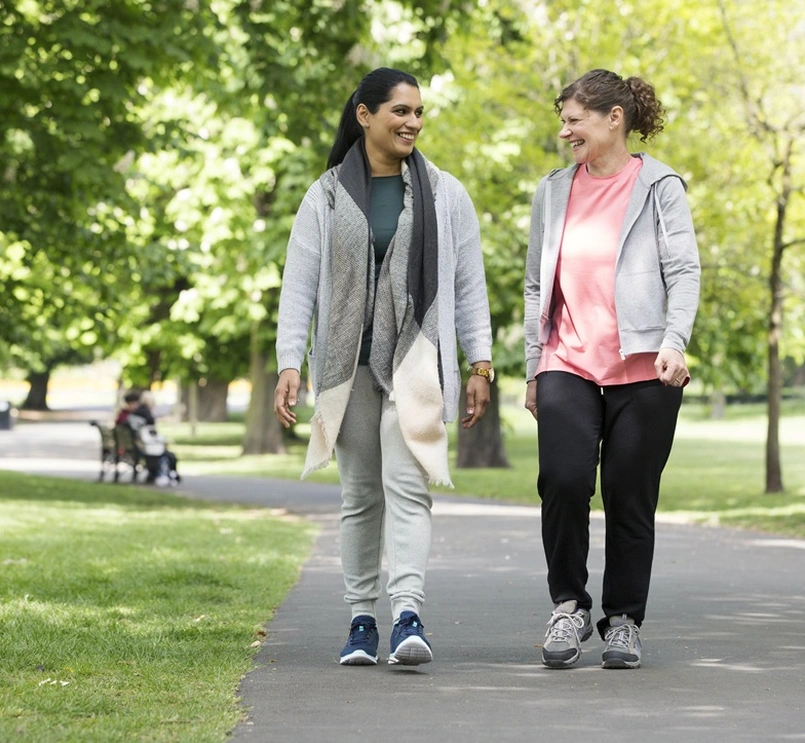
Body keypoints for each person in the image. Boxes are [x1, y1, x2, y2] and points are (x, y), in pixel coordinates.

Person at [274, 67, 494, 667]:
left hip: (417, 358)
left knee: (408, 486)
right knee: (360, 494)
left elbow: (467, 284)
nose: (413, 123)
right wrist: (289, 360)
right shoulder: (324, 196)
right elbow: (299, 286)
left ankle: (407, 616)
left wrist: (481, 361)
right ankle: (361, 622)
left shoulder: (445, 194)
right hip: (347, 364)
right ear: (365, 115)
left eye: (419, 112)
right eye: (401, 111)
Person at [523, 69, 700, 670]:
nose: (565, 131)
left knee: (630, 498)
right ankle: (568, 605)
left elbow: (683, 272)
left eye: (574, 120)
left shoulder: (659, 186)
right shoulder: (552, 191)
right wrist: (531, 367)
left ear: (612, 118)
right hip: (567, 361)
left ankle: (623, 620)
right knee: (564, 482)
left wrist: (675, 340)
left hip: (646, 367)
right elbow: (534, 283)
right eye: (563, 121)